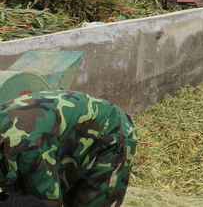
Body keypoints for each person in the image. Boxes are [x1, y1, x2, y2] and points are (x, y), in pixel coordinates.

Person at [0, 89, 138, 207]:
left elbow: (48, 201)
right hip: (65, 142)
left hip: (112, 133)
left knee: (88, 202)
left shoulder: (26, 148)